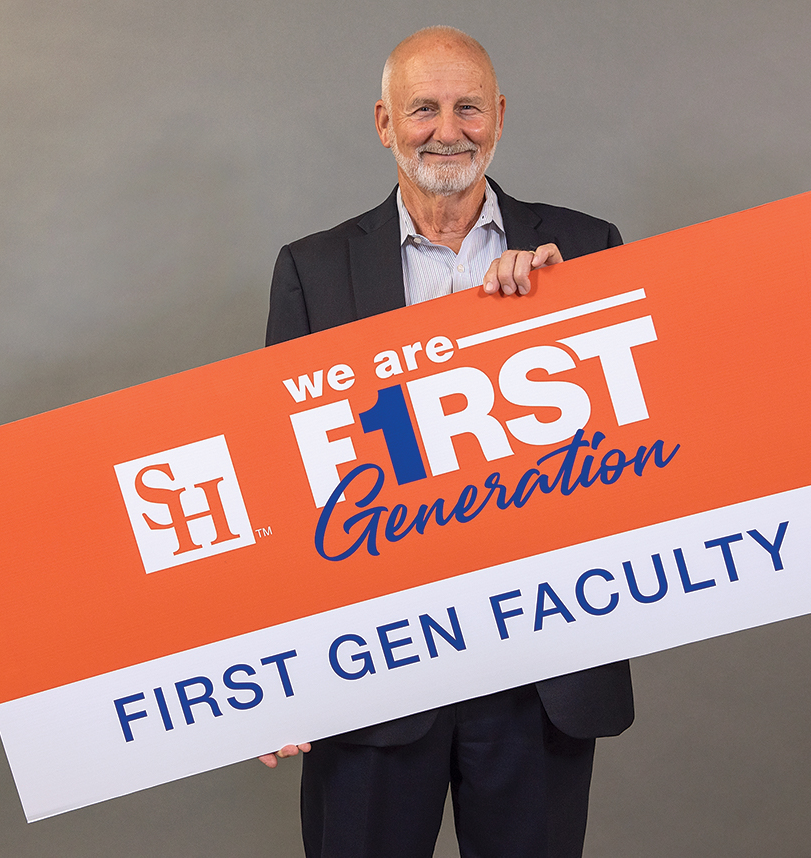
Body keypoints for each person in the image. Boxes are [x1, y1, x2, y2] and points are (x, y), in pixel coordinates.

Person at [262, 26, 634, 858]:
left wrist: (554, 316)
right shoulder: (311, 270)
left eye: (467, 107)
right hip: (375, 672)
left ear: (497, 116)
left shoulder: (583, 250)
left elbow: (640, 449)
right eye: (422, 109)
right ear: (383, 124)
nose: (447, 129)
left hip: (540, 669)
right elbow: (290, 484)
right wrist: (276, 674)